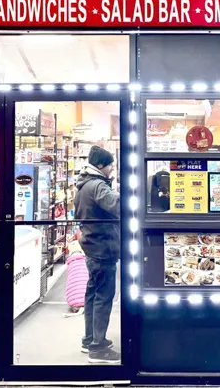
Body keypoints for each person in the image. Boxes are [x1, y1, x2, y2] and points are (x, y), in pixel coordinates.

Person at [74, 145, 120, 363]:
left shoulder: (84, 185)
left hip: (92, 246)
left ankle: (90, 339)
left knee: (92, 295)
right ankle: (98, 349)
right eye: (110, 165)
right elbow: (117, 206)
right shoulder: (98, 186)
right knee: (103, 297)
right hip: (102, 248)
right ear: (101, 165)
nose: (112, 169)